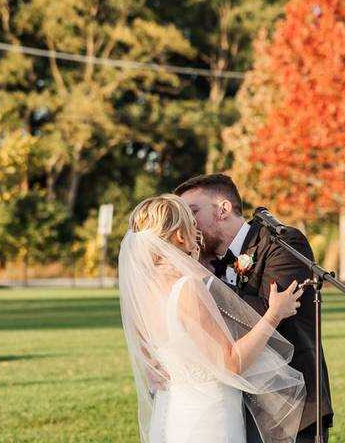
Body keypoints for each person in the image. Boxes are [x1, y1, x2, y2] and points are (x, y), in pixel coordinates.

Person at [119, 194, 306, 443]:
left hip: (170, 414)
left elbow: (153, 363)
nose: (196, 228)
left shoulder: (141, 293)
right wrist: (274, 314)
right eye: (190, 222)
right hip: (208, 420)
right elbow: (230, 363)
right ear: (179, 235)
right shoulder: (186, 287)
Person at [175, 174, 333, 443]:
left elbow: (261, 313)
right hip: (234, 406)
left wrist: (204, 283)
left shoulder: (284, 243)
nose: (189, 225)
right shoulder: (207, 265)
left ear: (223, 209)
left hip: (290, 405)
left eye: (193, 213)